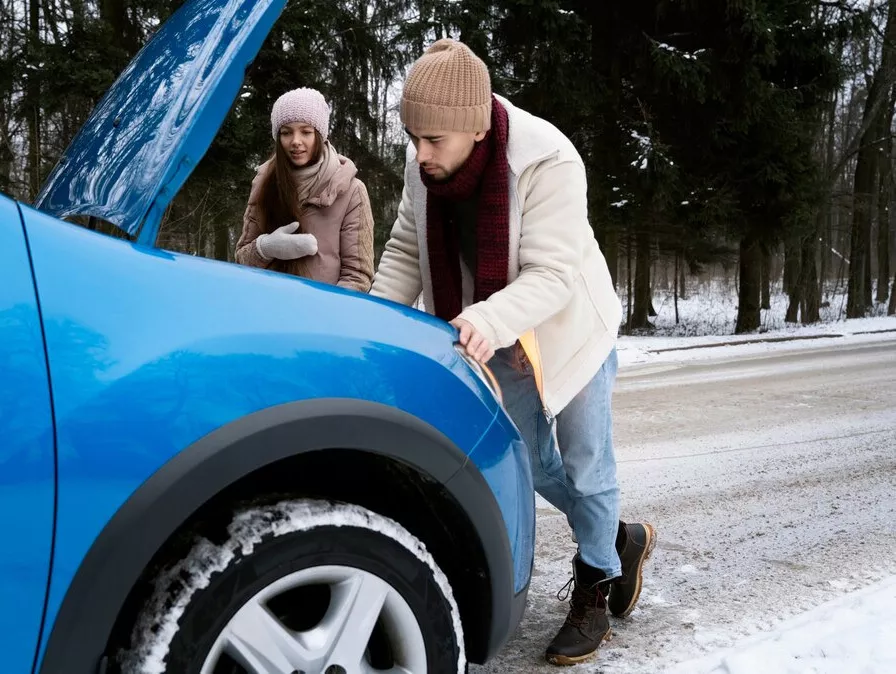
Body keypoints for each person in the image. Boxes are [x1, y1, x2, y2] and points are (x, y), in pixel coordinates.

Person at [369, 39, 657, 665]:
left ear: (476, 127)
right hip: (494, 331)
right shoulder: (428, 164)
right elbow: (403, 253)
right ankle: (618, 536)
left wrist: (485, 318)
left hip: (563, 326)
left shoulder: (549, 158)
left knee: (586, 465)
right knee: (526, 460)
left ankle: (596, 585)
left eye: (433, 140)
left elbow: (553, 274)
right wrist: (371, 323)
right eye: (413, 137)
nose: (419, 154)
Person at [235, 87, 374, 293]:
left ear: (320, 135)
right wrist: (264, 248)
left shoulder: (352, 191)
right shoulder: (264, 184)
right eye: (286, 132)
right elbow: (241, 260)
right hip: (267, 311)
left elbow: (358, 275)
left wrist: (323, 313)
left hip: (322, 318)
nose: (295, 141)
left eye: (306, 132)